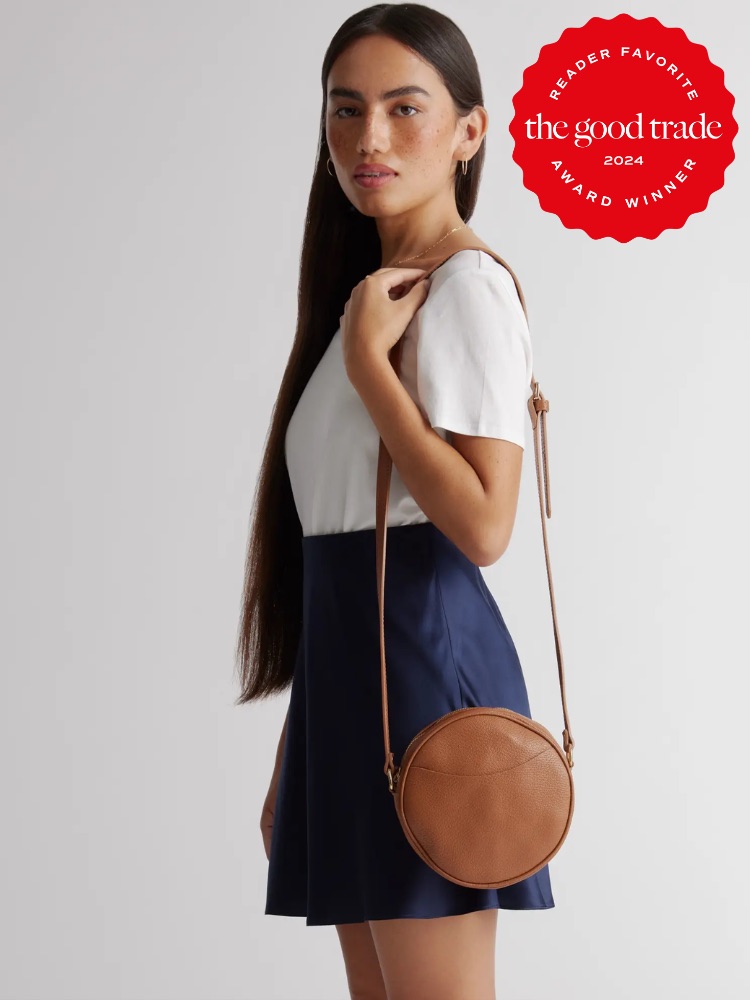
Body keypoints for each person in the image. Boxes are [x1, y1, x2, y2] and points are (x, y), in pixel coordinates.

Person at [235, 5, 554, 998]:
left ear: (470, 131)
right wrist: (303, 738)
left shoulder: (463, 290)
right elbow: (339, 545)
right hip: (355, 693)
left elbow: (484, 525)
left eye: (404, 108)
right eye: (346, 110)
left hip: (424, 682)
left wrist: (377, 369)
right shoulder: (368, 299)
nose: (368, 138)